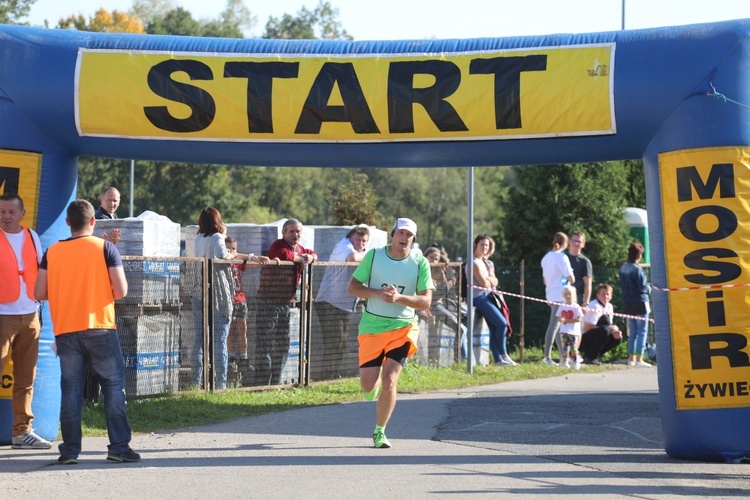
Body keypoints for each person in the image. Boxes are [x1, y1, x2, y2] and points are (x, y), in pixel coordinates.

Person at [34, 199, 139, 464]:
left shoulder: (52, 252)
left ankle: (69, 451)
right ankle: (118, 447)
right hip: (100, 327)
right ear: (93, 221)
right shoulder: (106, 248)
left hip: (67, 330)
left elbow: (38, 293)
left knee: (70, 390)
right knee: (113, 386)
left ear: (67, 223)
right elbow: (122, 290)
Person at [348, 218, 434, 448]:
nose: (404, 238)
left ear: (413, 239)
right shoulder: (374, 255)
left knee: (390, 380)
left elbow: (426, 300)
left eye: (409, 235)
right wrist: (378, 293)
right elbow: (353, 287)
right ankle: (372, 386)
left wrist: (399, 298)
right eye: (400, 233)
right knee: (368, 385)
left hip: (402, 328)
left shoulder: (420, 262)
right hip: (372, 327)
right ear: (393, 234)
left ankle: (380, 431)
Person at [192, 208, 266, 390]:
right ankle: (221, 384)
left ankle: (196, 382)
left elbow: (225, 253)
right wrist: (225, 240)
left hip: (199, 292)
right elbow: (224, 256)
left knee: (200, 339)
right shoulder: (217, 237)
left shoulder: (199, 238)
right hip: (217, 294)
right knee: (220, 339)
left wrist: (250, 257)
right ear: (218, 221)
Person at [0, 193, 52, 450]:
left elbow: (39, 270)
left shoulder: (32, 236)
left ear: (22, 213)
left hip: (30, 315)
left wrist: (39, 304)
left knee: (25, 378)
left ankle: (22, 432)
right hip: (2, 316)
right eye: (1, 212)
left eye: (11, 212)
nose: (5, 216)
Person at [255, 218, 317, 386]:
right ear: (284, 233)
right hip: (268, 302)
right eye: (291, 231)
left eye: (298, 231)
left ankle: (275, 383)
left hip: (284, 304)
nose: (295, 234)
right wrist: (300, 259)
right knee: (264, 345)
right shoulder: (278, 245)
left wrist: (309, 258)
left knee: (283, 346)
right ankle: (261, 385)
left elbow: (312, 253)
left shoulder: (299, 249)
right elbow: (284, 255)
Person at [314, 224, 369, 379]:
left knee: (341, 342)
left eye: (364, 241)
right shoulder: (343, 246)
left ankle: (332, 375)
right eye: (358, 239)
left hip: (345, 304)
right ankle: (325, 377)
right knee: (334, 341)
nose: (361, 243)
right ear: (350, 237)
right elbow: (352, 258)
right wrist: (369, 258)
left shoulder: (362, 252)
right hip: (329, 302)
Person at [467, 235, 515, 366]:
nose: (484, 248)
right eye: (482, 244)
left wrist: (489, 280)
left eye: (487, 245)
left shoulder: (485, 263)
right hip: (478, 298)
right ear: (476, 245)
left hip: (488, 296)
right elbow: (484, 284)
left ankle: (499, 360)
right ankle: (504, 354)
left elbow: (495, 281)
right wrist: (489, 280)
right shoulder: (474, 263)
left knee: (495, 328)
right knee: (502, 324)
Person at [420, 247, 465, 364]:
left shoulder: (438, 271)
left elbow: (443, 289)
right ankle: (430, 360)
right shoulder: (420, 269)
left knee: (461, 329)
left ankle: (458, 360)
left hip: (435, 306)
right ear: (425, 257)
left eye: (436, 259)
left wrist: (443, 269)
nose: (434, 261)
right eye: (431, 258)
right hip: (424, 306)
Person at [540, 232, 575, 366]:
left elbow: (545, 280)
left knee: (558, 325)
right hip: (560, 294)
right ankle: (547, 356)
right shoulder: (562, 257)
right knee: (554, 324)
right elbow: (571, 278)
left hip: (550, 293)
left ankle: (563, 357)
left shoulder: (545, 257)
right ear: (565, 244)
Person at [619, 242, 652, 367]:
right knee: (642, 331)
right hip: (640, 302)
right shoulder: (637, 269)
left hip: (627, 303)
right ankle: (639, 358)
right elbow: (642, 287)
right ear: (639, 255)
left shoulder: (623, 268)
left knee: (632, 332)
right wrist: (650, 288)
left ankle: (630, 358)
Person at [580, 283, 623, 365]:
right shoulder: (594, 306)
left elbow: (609, 324)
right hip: (583, 339)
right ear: (597, 295)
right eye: (603, 294)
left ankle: (593, 355)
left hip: (598, 333)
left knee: (617, 337)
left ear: (611, 296)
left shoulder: (610, 306)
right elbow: (587, 328)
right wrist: (609, 328)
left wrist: (614, 330)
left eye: (607, 294)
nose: (605, 296)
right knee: (604, 330)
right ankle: (591, 357)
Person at [556, 285, 583, 370]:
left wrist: (568, 320)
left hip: (573, 332)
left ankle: (575, 362)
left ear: (573, 295)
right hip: (564, 331)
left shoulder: (576, 306)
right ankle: (565, 362)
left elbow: (579, 319)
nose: (568, 296)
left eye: (569, 294)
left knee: (573, 347)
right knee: (565, 348)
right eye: (566, 294)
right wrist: (561, 319)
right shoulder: (562, 306)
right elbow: (558, 317)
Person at [565, 231, 593, 306]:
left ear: (583, 244)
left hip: (577, 298)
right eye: (574, 240)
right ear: (569, 242)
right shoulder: (561, 257)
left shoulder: (585, 262)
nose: (576, 243)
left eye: (579, 241)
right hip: (560, 296)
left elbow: (588, 284)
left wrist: (586, 302)